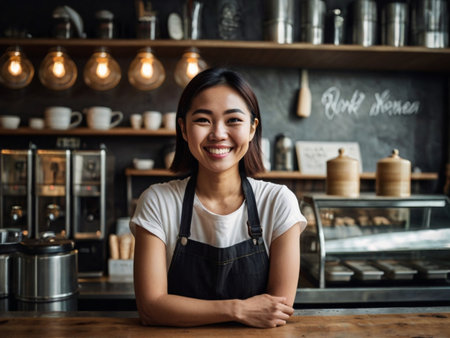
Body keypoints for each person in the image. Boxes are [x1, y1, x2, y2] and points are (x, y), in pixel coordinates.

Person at [130, 67, 307, 328]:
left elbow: (277, 308)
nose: (218, 134)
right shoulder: (158, 201)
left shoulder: (278, 202)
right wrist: (238, 309)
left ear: (252, 129)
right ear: (183, 128)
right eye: (203, 120)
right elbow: (151, 307)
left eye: (233, 120)